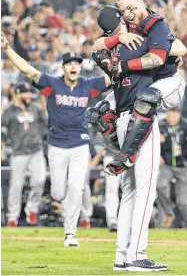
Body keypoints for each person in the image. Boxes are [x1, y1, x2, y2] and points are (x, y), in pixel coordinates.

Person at [1, 32, 111, 247]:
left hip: (80, 143)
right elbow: (27, 69)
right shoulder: (52, 84)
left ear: (80, 67)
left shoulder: (88, 84)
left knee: (76, 186)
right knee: (59, 192)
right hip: (57, 145)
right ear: (63, 68)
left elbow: (113, 76)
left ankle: (70, 233)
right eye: (69, 63)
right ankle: (58, 202)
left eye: (77, 64)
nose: (73, 67)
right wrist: (7, 49)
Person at [91, 0, 187, 176]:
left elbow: (181, 48)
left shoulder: (152, 27)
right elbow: (96, 47)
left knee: (145, 99)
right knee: (97, 114)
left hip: (165, 81)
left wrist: (158, 50)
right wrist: (119, 37)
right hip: (139, 82)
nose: (127, 15)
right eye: (123, 12)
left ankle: (128, 153)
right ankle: (123, 145)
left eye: (130, 10)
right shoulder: (119, 33)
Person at [1, 83, 47, 227]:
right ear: (18, 94)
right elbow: (2, 132)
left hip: (36, 151)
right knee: (16, 185)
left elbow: (46, 120)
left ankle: (32, 209)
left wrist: (42, 101)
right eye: (25, 93)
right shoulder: (9, 111)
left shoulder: (35, 108)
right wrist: (1, 149)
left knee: (40, 180)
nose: (28, 96)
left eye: (29, 93)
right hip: (18, 152)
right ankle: (13, 217)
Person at [157, 107, 187, 228]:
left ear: (179, 115)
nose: (170, 119)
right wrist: (157, 153)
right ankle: (169, 211)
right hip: (166, 164)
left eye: (173, 116)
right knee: (160, 186)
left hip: (183, 165)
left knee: (182, 201)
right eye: (169, 116)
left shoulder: (186, 125)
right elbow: (149, 141)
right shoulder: (161, 125)